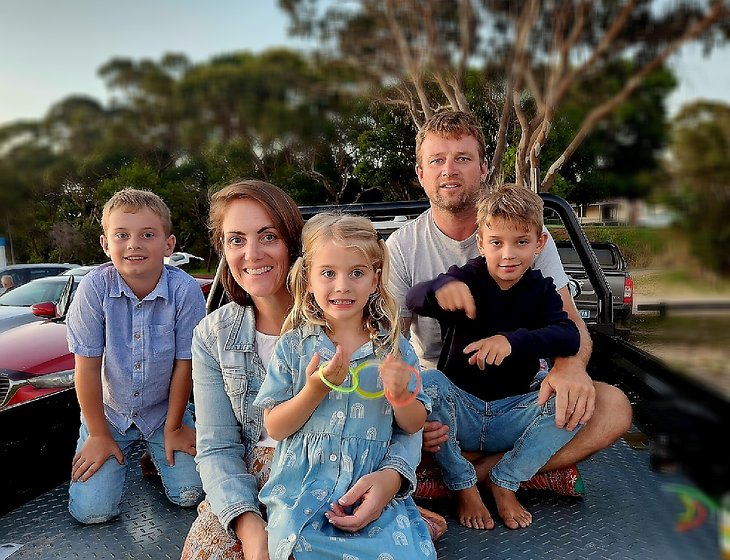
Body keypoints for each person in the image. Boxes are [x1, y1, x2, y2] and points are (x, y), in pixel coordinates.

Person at [386, 110, 633, 526]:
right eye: (437, 160)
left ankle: (480, 476)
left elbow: (569, 325)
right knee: (408, 401)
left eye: (463, 158)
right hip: (447, 398)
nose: (449, 169)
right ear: (420, 173)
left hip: (519, 393)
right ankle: (518, 468)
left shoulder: (530, 237)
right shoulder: (403, 246)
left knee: (611, 406)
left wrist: (570, 369)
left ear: (484, 168)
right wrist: (408, 411)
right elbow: (390, 341)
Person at [182, 183, 445, 560]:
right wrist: (251, 528)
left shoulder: (379, 335)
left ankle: (398, 518)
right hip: (268, 480)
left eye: (268, 236)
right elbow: (218, 447)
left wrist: (391, 479)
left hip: (359, 469)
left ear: (294, 246)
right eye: (236, 239)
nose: (252, 253)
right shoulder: (216, 335)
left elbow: (404, 423)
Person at [253, 213, 435, 560]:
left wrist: (400, 397)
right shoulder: (293, 346)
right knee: (297, 546)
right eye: (328, 273)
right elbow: (275, 426)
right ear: (308, 279)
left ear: (375, 280)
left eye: (356, 273)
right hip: (302, 489)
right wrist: (315, 389)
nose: (342, 286)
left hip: (369, 484)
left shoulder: (394, 349)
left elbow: (413, 425)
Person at [407, 184, 582, 529]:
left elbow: (569, 335)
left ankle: (505, 479)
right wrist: (439, 289)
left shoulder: (541, 290)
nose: (508, 254)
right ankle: (462, 484)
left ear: (539, 244)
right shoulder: (464, 278)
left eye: (521, 242)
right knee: (429, 383)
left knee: (574, 402)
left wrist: (512, 342)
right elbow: (414, 299)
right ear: (481, 242)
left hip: (513, 413)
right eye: (497, 243)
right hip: (461, 413)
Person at [66, 188, 206, 524]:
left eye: (147, 235)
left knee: (192, 494)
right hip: (109, 415)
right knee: (93, 512)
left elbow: (184, 366)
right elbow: (86, 369)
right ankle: (117, 449)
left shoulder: (185, 291)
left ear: (168, 245)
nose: (134, 244)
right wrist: (98, 435)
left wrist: (175, 427)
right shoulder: (93, 289)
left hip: (164, 411)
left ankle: (155, 451)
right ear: (105, 244)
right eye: (122, 235)